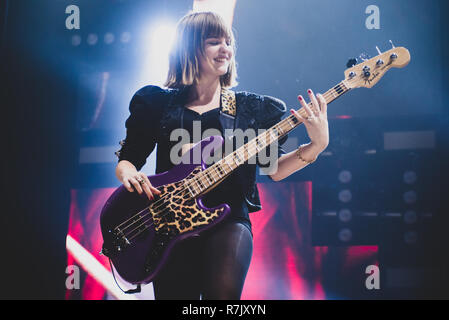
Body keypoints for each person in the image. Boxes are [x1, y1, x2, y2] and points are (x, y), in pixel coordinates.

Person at [115, 11, 329, 300]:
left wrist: (315, 146)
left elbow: (275, 169)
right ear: (189, 48)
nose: (226, 48)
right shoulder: (155, 103)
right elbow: (129, 159)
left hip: (228, 221)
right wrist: (129, 174)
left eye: (228, 42)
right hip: (168, 225)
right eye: (214, 42)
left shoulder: (251, 109)